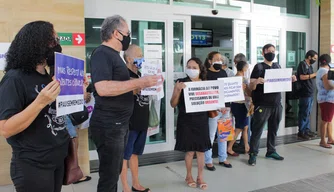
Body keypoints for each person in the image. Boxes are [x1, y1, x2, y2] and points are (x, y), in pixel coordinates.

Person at [89, 15, 159, 192]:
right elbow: (103, 88)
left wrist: (145, 84)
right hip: (109, 125)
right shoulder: (102, 54)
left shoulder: (115, 56)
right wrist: (139, 83)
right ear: (116, 33)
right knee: (109, 176)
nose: (129, 37)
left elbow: (119, 87)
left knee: (113, 172)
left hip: (119, 124)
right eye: (127, 33)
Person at [0, 21, 69, 192]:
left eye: (57, 39)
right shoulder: (14, 79)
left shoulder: (49, 77)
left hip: (57, 159)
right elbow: (6, 129)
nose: (57, 44)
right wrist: (40, 102)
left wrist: (77, 93)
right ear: (37, 42)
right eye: (52, 39)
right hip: (33, 165)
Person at [248, 44, 297, 166]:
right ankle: (253, 154)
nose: (271, 53)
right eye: (268, 51)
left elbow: (281, 82)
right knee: (257, 130)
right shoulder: (259, 67)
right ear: (263, 53)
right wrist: (257, 81)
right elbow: (251, 86)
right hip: (262, 105)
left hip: (276, 103)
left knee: (273, 129)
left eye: (273, 51)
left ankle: (271, 150)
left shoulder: (277, 66)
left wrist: (290, 79)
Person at [171, 57, 211, 190]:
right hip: (186, 121)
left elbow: (211, 101)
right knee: (189, 151)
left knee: (201, 151)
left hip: (202, 120)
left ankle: (200, 176)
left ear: (200, 69)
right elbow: (173, 104)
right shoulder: (181, 82)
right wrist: (177, 90)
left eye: (194, 68)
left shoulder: (205, 83)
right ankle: (189, 176)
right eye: (189, 67)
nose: (191, 70)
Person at [120, 45, 151, 192]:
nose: (141, 58)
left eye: (142, 55)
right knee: (124, 156)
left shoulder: (141, 74)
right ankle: (125, 186)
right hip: (129, 122)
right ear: (129, 58)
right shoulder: (122, 74)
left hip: (142, 121)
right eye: (139, 55)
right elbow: (124, 91)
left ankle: (136, 183)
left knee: (135, 154)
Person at [204, 51, 232, 171]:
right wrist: (215, 105)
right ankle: (208, 160)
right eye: (216, 59)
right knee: (210, 135)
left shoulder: (223, 72)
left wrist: (227, 105)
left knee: (224, 134)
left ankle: (223, 158)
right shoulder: (205, 74)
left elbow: (226, 90)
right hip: (212, 109)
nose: (219, 61)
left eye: (221, 59)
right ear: (210, 61)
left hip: (225, 108)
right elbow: (206, 92)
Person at [227, 61, 252, 156]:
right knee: (239, 127)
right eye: (247, 68)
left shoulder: (232, 79)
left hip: (235, 105)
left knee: (245, 127)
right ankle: (229, 147)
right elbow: (249, 93)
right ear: (243, 69)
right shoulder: (244, 80)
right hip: (241, 105)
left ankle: (247, 146)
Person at [297, 50, 318, 140]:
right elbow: (302, 77)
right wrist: (313, 74)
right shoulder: (302, 64)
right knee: (304, 112)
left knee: (308, 112)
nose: (315, 60)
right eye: (314, 58)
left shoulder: (309, 66)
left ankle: (307, 129)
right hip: (304, 93)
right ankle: (301, 131)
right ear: (309, 57)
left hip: (310, 92)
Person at [316, 54, 334, 149]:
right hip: (327, 99)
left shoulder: (322, 70)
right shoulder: (324, 71)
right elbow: (327, 86)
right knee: (325, 120)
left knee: (329, 119)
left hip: (327, 99)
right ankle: (322, 140)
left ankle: (330, 138)